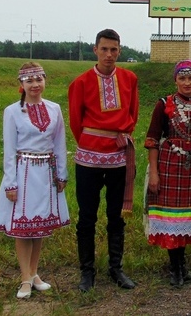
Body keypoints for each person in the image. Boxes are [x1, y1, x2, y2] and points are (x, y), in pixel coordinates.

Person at [0, 62, 70, 298]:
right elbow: (9, 149)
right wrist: (10, 182)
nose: (35, 85)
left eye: (39, 79)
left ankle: (34, 273)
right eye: (29, 81)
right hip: (24, 172)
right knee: (23, 228)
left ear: (45, 81)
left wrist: (61, 173)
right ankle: (25, 278)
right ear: (21, 85)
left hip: (46, 172)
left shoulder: (54, 109)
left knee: (39, 226)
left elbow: (59, 143)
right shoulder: (12, 111)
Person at [68, 28, 139, 292]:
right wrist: (91, 143)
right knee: (87, 216)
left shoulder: (130, 79)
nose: (109, 54)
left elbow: (133, 112)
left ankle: (116, 268)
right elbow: (76, 121)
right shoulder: (81, 82)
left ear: (120, 51)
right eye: (104, 49)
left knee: (116, 215)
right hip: (89, 157)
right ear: (95, 50)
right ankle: (87, 271)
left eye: (114, 49)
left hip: (119, 157)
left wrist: (120, 138)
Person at [144, 60, 191, 288]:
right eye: (182, 78)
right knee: (172, 217)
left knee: (186, 217)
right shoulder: (163, 104)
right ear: (175, 80)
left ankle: (182, 266)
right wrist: (154, 173)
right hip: (170, 167)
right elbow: (153, 141)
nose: (187, 82)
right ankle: (174, 268)